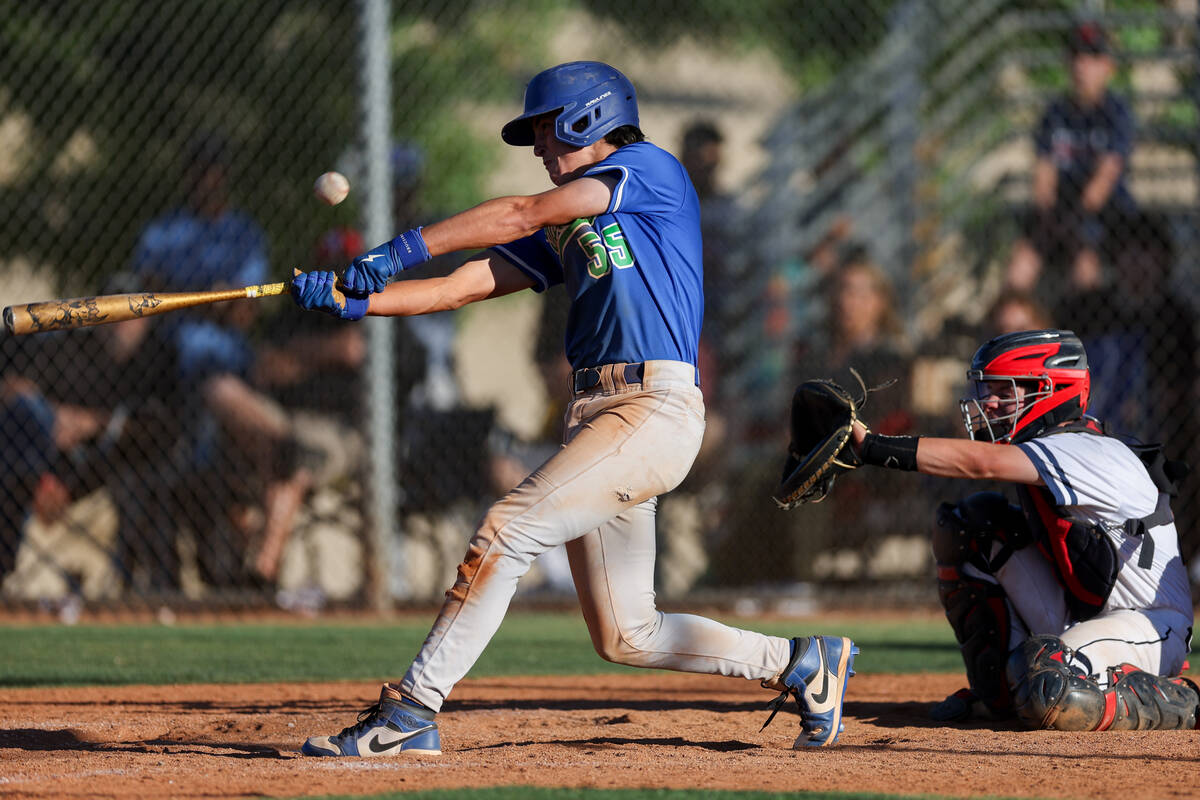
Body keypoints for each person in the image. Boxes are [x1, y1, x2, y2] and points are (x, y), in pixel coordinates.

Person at [289, 60, 858, 754]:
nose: (537, 146)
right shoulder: (568, 222)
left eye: (545, 129)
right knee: (626, 634)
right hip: (600, 415)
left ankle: (409, 714)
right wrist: (360, 300)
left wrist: (400, 248)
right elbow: (465, 284)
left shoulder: (650, 168)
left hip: (652, 405)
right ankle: (802, 663)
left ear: (590, 117)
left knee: (504, 530)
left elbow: (523, 209)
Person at [843, 329, 1196, 730]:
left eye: (1005, 392)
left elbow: (981, 464)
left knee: (1048, 684)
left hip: (1151, 625)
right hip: (1086, 615)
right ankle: (999, 696)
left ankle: (1181, 700)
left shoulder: (1085, 448)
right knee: (970, 528)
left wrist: (870, 447)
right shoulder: (1056, 443)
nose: (988, 403)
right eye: (988, 390)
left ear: (1052, 391)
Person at [132, 133, 312, 587]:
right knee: (217, 392)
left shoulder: (244, 233)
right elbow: (147, 301)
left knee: (235, 407)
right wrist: (214, 296)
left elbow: (242, 311)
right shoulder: (163, 233)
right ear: (188, 175)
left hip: (235, 369)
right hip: (175, 372)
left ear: (224, 176)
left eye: (214, 169)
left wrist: (202, 297)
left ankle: (258, 570)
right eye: (199, 169)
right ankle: (277, 438)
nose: (206, 179)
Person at [1005, 22, 1136, 302]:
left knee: (1084, 267)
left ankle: (1077, 342)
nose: (1081, 66)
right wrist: (1053, 217)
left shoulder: (1116, 113)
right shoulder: (1055, 113)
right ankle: (1013, 340)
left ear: (1107, 67)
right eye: (1076, 56)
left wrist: (1072, 223)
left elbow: (1103, 182)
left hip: (1103, 217)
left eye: (1091, 57)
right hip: (1057, 213)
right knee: (1020, 265)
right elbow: (1043, 175)